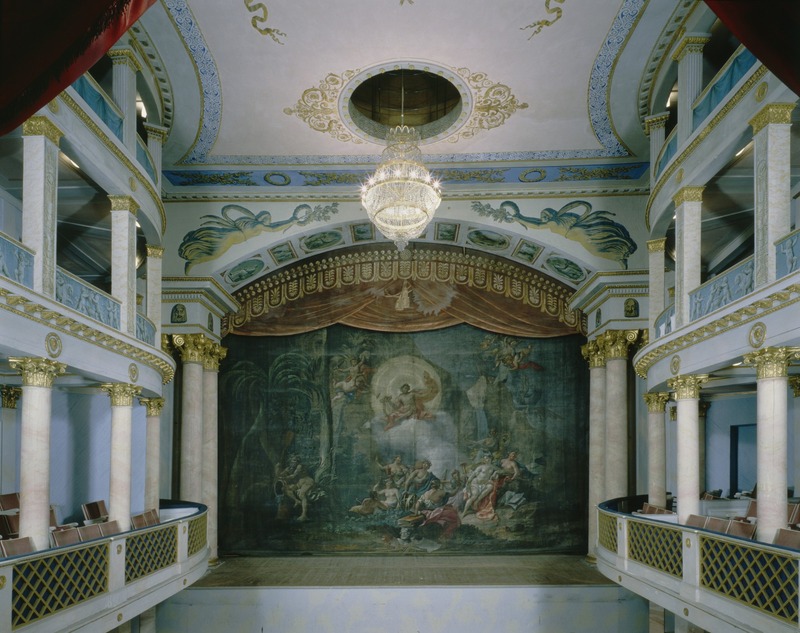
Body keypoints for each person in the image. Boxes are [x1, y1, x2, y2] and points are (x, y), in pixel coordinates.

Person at [277, 455, 316, 521]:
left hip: (307, 481)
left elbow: (293, 476)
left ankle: (304, 515)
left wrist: (285, 477)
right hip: (300, 482)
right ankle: (297, 501)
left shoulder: (300, 466)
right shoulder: (290, 468)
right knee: (285, 489)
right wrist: (282, 476)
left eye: (296, 461)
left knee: (302, 494)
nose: (294, 462)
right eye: (293, 460)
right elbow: (291, 476)